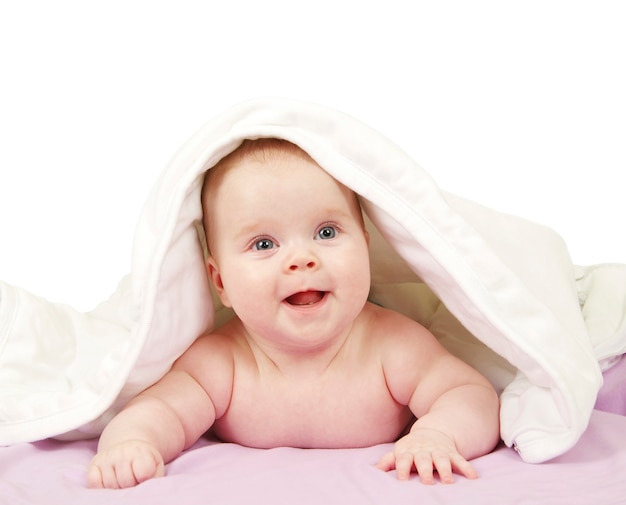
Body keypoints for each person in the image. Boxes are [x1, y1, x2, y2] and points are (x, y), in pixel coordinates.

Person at [87, 138, 500, 489]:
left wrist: (439, 433)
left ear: (367, 246)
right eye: (264, 244)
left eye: (326, 232)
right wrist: (133, 444)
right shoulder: (220, 363)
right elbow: (160, 411)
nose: (301, 259)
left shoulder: (393, 346)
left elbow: (470, 395)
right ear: (221, 283)